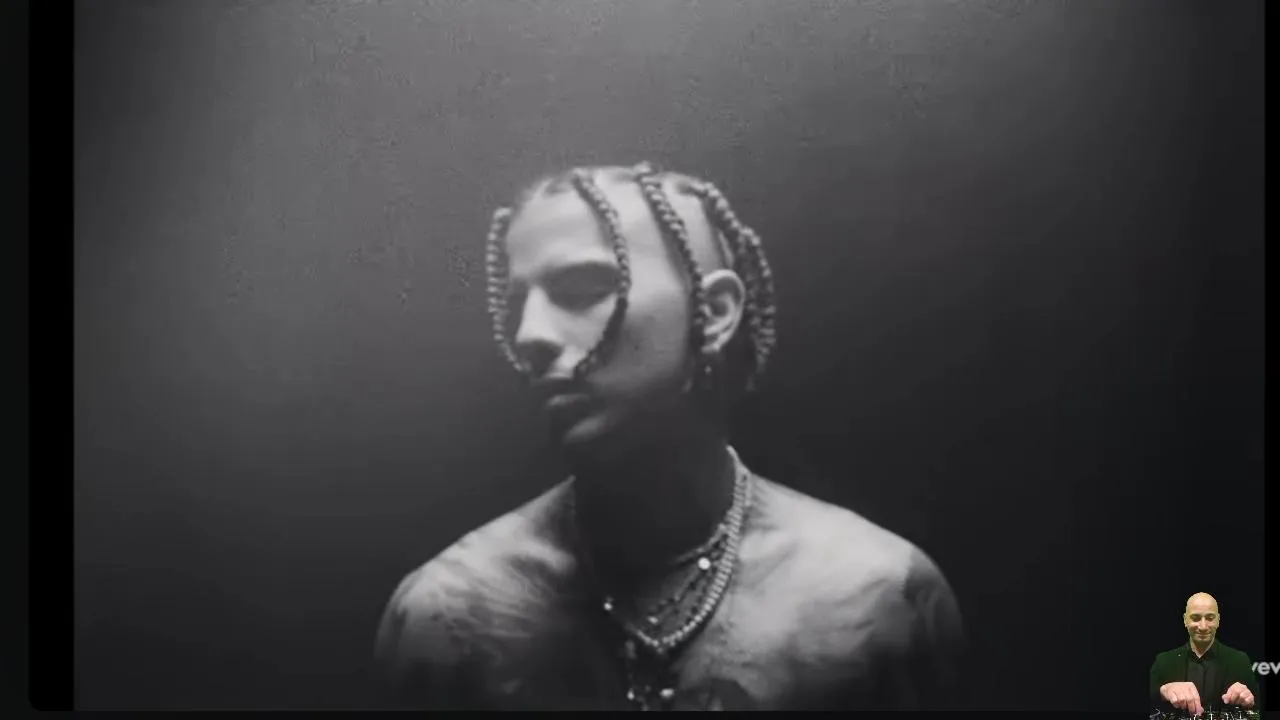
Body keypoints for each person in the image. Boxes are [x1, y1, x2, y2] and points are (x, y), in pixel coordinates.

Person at [373, 162, 967, 710]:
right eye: (516, 306)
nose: (530, 335)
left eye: (581, 290)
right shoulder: (445, 619)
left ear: (714, 312)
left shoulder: (878, 600)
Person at [1149, 593, 1261, 715]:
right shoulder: (1164, 661)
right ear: (1185, 620)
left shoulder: (1239, 660)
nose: (1203, 627)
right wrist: (1163, 692)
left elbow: (1256, 706)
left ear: (1218, 620)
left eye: (1210, 618)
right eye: (1195, 618)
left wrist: (1249, 701)